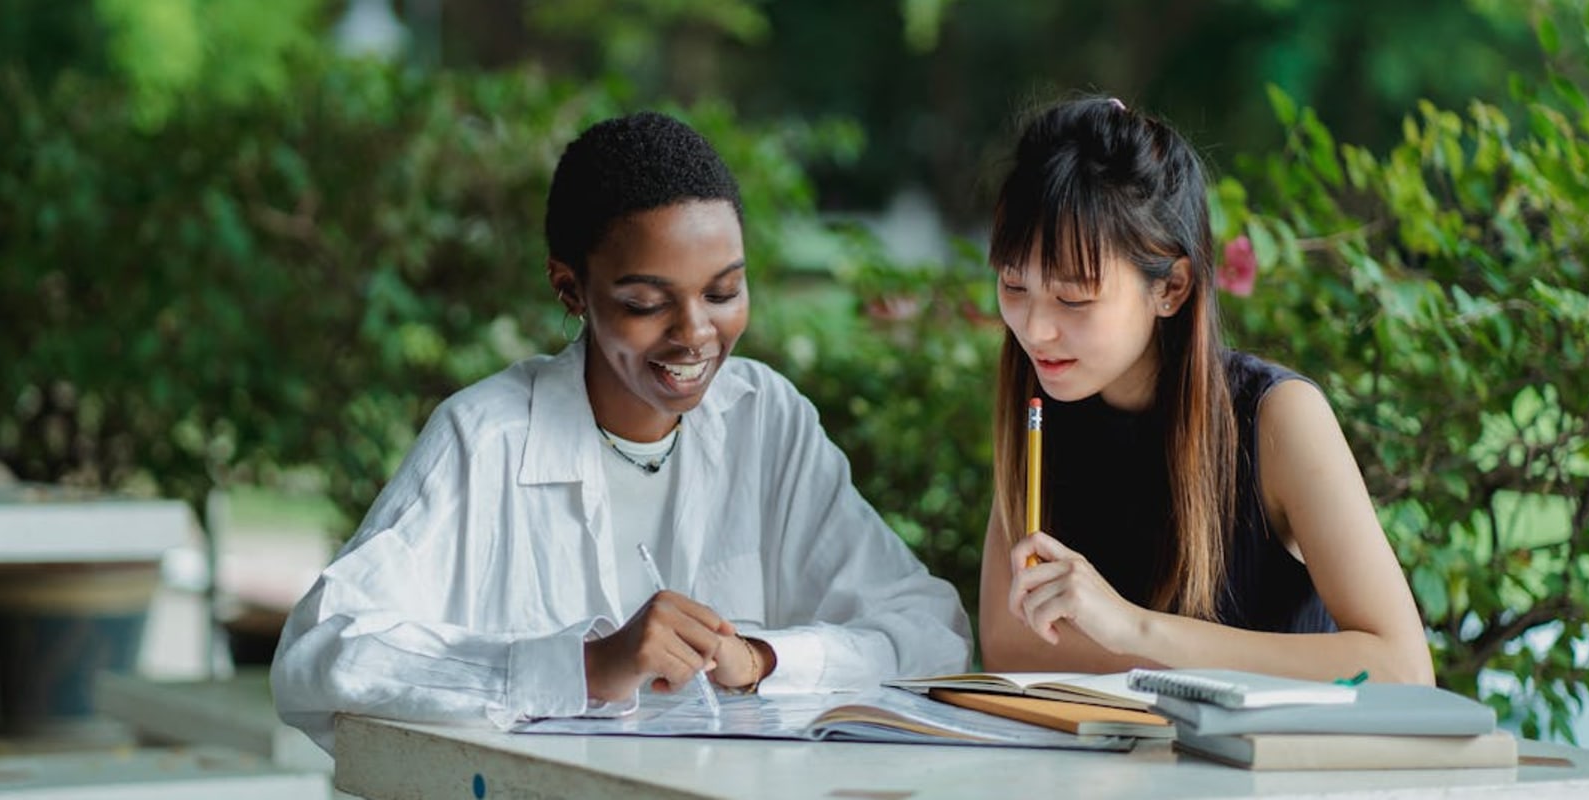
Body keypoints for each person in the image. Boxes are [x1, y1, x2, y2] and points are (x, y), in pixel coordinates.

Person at [273, 111, 970, 749]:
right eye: (645, 303)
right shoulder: (487, 439)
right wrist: (584, 667)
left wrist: (760, 658)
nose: (696, 333)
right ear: (571, 290)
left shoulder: (766, 421)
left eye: (724, 292)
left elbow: (931, 631)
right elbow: (321, 652)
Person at [977, 97, 1433, 684]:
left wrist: (1133, 628)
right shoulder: (1043, 403)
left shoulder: (1276, 417)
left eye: (1073, 297)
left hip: (1271, 772)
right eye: (1014, 285)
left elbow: (1400, 670)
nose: (1034, 329)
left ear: (1171, 287)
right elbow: (1009, 647)